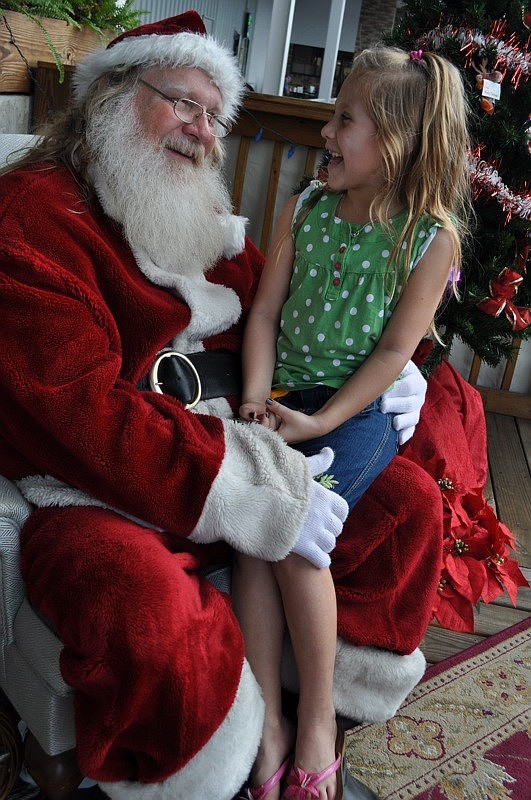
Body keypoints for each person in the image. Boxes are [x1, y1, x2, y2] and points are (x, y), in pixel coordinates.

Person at [0, 13, 439, 800]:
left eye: (215, 115)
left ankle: (317, 719)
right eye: (184, 103)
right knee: (142, 611)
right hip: (102, 487)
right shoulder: (30, 217)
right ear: (111, 95)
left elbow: (296, 311)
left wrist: (400, 374)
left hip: (246, 433)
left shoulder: (193, 212)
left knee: (408, 507)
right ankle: (228, 762)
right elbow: (76, 412)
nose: (203, 131)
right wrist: (244, 490)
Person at [236, 46, 471, 800]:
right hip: (285, 395)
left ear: (395, 144)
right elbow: (265, 311)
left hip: (355, 410)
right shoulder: (303, 207)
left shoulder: (428, 239)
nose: (325, 132)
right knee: (251, 525)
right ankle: (267, 721)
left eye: (344, 119)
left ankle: (314, 728)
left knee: (298, 529)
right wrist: (255, 395)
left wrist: (319, 422)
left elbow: (394, 354)